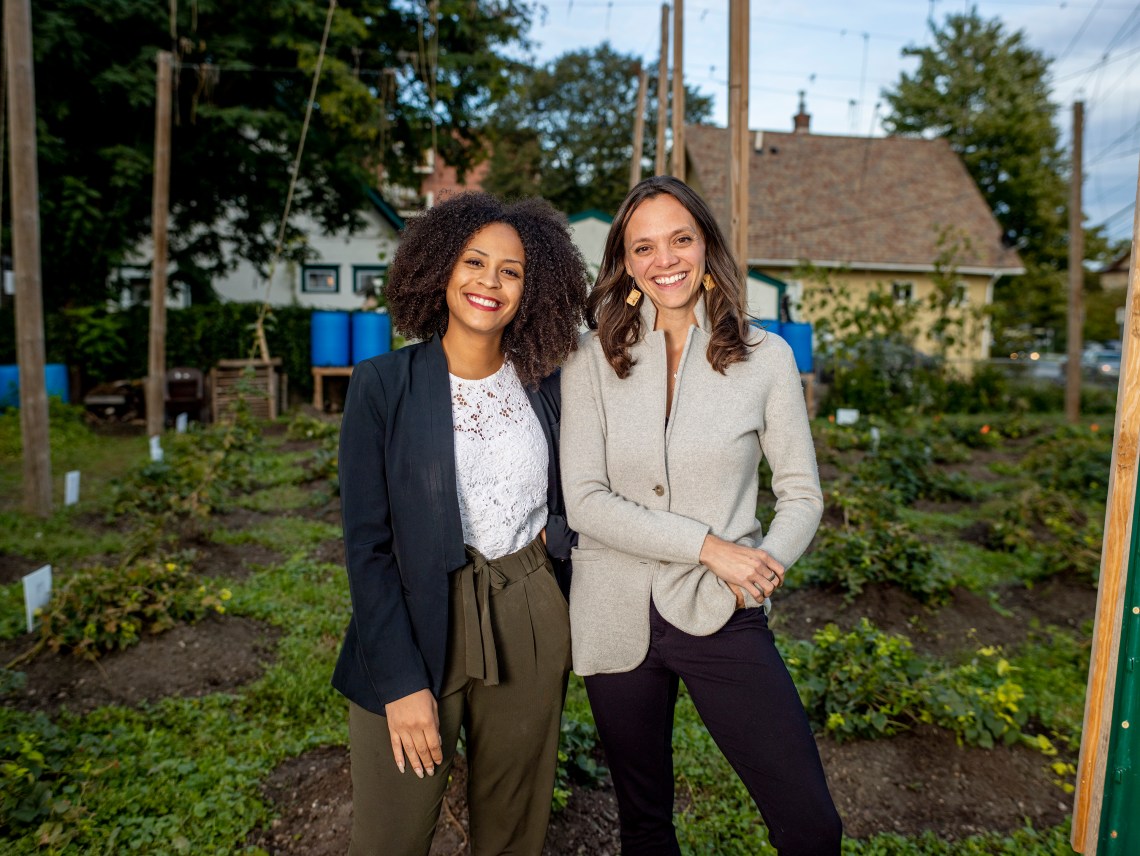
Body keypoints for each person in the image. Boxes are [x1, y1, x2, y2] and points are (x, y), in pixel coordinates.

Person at [560, 175, 843, 855]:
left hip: (721, 610)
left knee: (811, 826)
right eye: (644, 247)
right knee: (645, 824)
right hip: (613, 611)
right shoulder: (590, 359)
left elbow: (802, 493)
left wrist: (763, 561)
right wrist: (710, 545)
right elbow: (586, 501)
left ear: (706, 245)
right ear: (626, 264)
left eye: (680, 239)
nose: (666, 260)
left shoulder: (765, 358)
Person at [333, 191, 589, 856]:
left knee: (514, 828)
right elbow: (367, 545)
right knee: (390, 836)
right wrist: (400, 683)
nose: (490, 282)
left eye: (511, 271)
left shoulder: (550, 383)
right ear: (441, 269)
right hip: (416, 622)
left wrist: (558, 540)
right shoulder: (381, 384)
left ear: (531, 290)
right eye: (474, 262)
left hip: (530, 612)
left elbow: (593, 486)